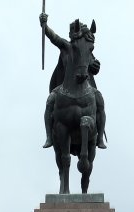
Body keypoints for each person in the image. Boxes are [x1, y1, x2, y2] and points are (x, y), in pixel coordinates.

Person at [40, 13, 107, 150]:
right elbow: (53, 37)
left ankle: (99, 138)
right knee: (50, 101)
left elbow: (94, 67)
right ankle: (49, 136)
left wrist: (95, 65)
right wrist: (44, 25)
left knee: (99, 99)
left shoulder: (86, 48)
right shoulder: (66, 46)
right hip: (64, 87)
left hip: (85, 85)